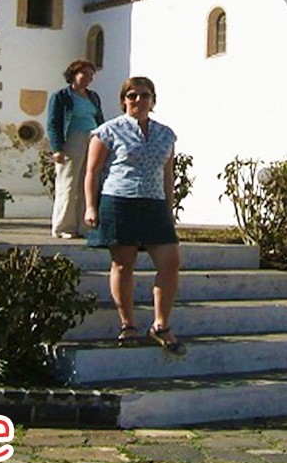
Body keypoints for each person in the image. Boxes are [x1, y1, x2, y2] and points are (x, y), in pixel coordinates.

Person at [83, 76, 184, 355]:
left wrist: (169, 207)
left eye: (144, 95)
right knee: (123, 264)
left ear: (153, 100)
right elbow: (92, 171)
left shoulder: (166, 134)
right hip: (119, 200)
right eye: (132, 95)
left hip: (154, 204)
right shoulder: (107, 131)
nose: (138, 100)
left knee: (170, 261)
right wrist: (91, 206)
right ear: (123, 100)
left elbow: (168, 173)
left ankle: (161, 325)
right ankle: (127, 323)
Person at [46, 60, 104, 239]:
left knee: (88, 184)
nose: (88, 78)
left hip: (93, 139)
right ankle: (64, 227)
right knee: (68, 184)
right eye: (84, 74)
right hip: (72, 140)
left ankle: (84, 226)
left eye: (91, 75)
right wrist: (57, 148)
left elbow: (100, 119)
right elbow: (53, 124)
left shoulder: (93, 97)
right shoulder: (61, 96)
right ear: (73, 75)